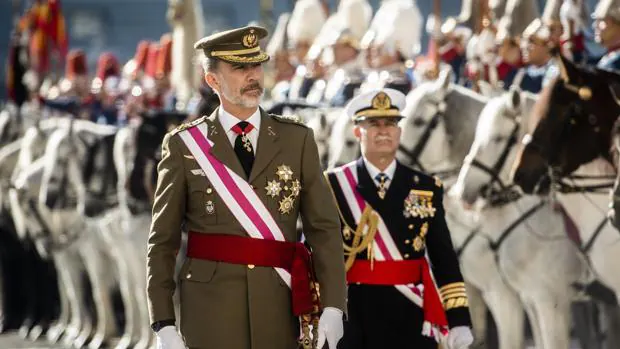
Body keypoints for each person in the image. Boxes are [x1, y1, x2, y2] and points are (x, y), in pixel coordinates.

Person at [146, 25, 347, 349]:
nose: (253, 75)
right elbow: (163, 241)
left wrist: (334, 305)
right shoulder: (185, 145)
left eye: (256, 65)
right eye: (240, 67)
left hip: (279, 306)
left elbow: (323, 228)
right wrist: (163, 323)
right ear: (213, 80)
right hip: (210, 310)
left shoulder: (297, 139)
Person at [324, 88, 474, 349]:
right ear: (357, 131)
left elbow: (444, 258)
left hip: (411, 314)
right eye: (373, 124)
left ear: (399, 132)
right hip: (355, 313)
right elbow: (320, 255)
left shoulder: (425, 187)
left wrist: (459, 318)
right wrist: (325, 310)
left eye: (391, 124)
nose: (384, 131)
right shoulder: (334, 185)